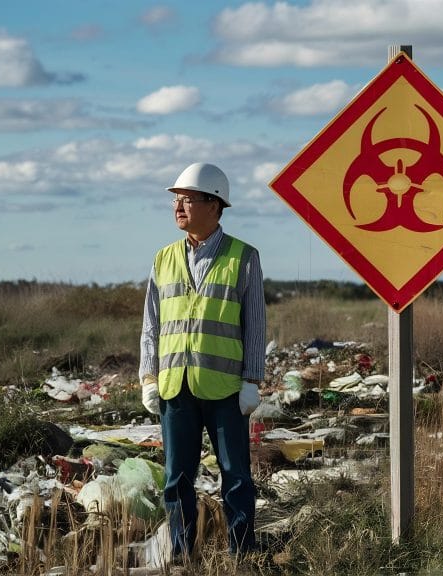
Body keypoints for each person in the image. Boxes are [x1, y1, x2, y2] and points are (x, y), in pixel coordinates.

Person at [139, 162, 266, 561]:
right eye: (176, 199)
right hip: (175, 387)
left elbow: (256, 323)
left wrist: (252, 379)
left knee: (236, 477)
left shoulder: (243, 257)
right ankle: (181, 556)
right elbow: (151, 325)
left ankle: (241, 555)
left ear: (214, 205)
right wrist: (147, 376)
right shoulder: (163, 259)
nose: (178, 206)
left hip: (226, 388)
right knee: (177, 479)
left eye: (188, 199)